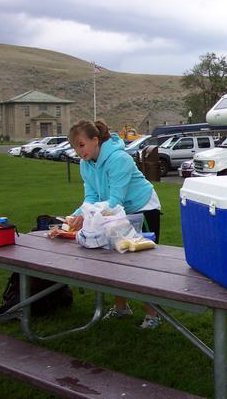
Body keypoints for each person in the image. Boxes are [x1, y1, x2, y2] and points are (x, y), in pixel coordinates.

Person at [67, 119, 163, 330]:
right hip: (114, 211)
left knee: (142, 262)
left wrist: (89, 216)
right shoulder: (85, 164)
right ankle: (121, 308)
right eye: (75, 146)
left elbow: (115, 199)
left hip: (142, 208)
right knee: (116, 260)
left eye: (81, 145)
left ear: (95, 140)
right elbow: (91, 197)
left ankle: (152, 314)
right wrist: (75, 216)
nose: (78, 151)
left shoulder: (119, 159)